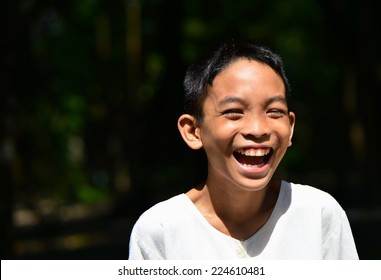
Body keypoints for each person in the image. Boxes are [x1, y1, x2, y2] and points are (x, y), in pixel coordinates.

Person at [128, 39, 359, 259]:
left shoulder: (319, 215)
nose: (258, 129)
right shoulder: (160, 231)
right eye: (234, 112)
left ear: (290, 127)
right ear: (193, 131)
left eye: (274, 111)